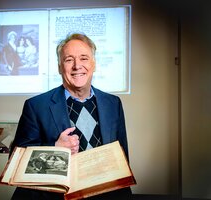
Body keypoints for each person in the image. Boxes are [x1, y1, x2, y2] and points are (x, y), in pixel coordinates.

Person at [10, 33, 132, 200]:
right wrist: (55, 148)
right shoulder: (36, 106)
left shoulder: (113, 103)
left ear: (94, 64)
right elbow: (16, 159)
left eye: (84, 58)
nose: (77, 66)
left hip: (104, 194)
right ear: (60, 67)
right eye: (69, 60)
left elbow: (122, 157)